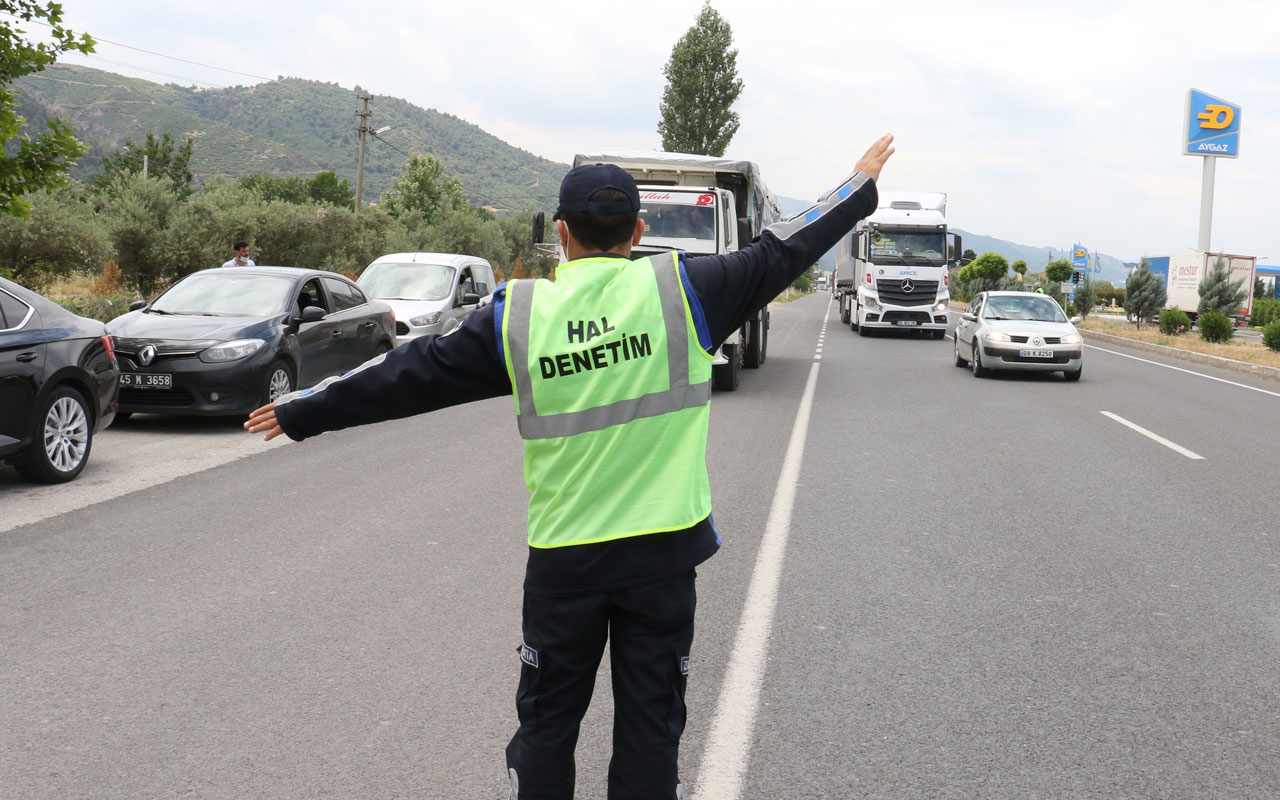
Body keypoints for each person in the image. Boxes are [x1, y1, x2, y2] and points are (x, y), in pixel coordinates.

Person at [244, 134, 894, 800]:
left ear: (561, 233)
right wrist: (857, 186)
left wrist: (305, 412)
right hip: (661, 559)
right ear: (639, 230)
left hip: (565, 562)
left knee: (548, 726)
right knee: (650, 733)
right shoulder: (688, 291)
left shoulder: (518, 317)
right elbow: (786, 247)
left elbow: (407, 373)